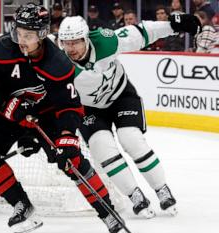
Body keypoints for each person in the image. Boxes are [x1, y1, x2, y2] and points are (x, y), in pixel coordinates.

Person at [0, 3, 128, 233]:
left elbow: (69, 107)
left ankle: (108, 211)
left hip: (47, 116)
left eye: (28, 35)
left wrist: (67, 137)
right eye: (19, 32)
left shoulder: (58, 64)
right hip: (8, 113)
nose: (21, 40)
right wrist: (7, 106)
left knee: (71, 160)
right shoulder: (0, 50)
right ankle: (23, 206)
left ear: (41, 34)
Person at [58, 14, 201, 218]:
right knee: (101, 146)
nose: (71, 48)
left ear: (86, 38)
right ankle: (134, 194)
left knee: (131, 138)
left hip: (121, 96)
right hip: (88, 109)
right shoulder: (58, 61)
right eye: (67, 43)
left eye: (76, 42)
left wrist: (172, 25)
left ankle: (161, 188)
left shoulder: (106, 41)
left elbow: (141, 33)